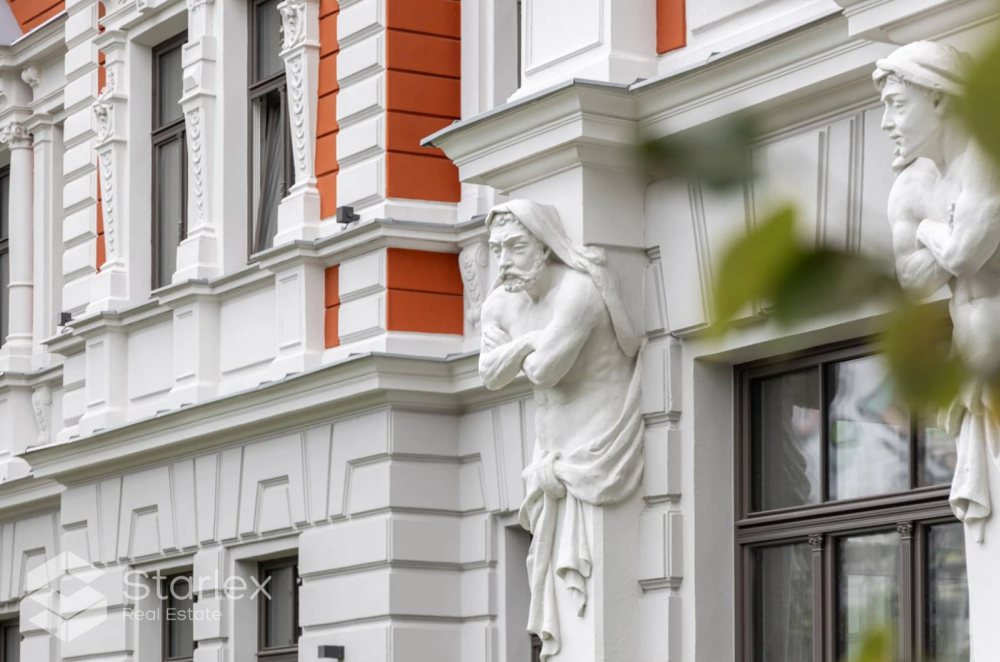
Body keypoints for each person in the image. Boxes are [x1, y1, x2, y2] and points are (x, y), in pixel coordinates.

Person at [877, 40, 1000, 660]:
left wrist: (934, 232)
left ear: (941, 98)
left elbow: (962, 252)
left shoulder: (986, 159)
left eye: (897, 105)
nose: (886, 122)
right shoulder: (912, 187)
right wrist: (939, 229)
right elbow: (912, 279)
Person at [478, 200, 643, 661]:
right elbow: (488, 374)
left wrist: (517, 349)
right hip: (550, 461)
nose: (503, 261)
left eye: (515, 247)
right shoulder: (499, 302)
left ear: (545, 247)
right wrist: (532, 341)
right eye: (497, 249)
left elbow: (544, 371)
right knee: (554, 587)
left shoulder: (579, 291)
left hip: (598, 447)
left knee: (597, 593)